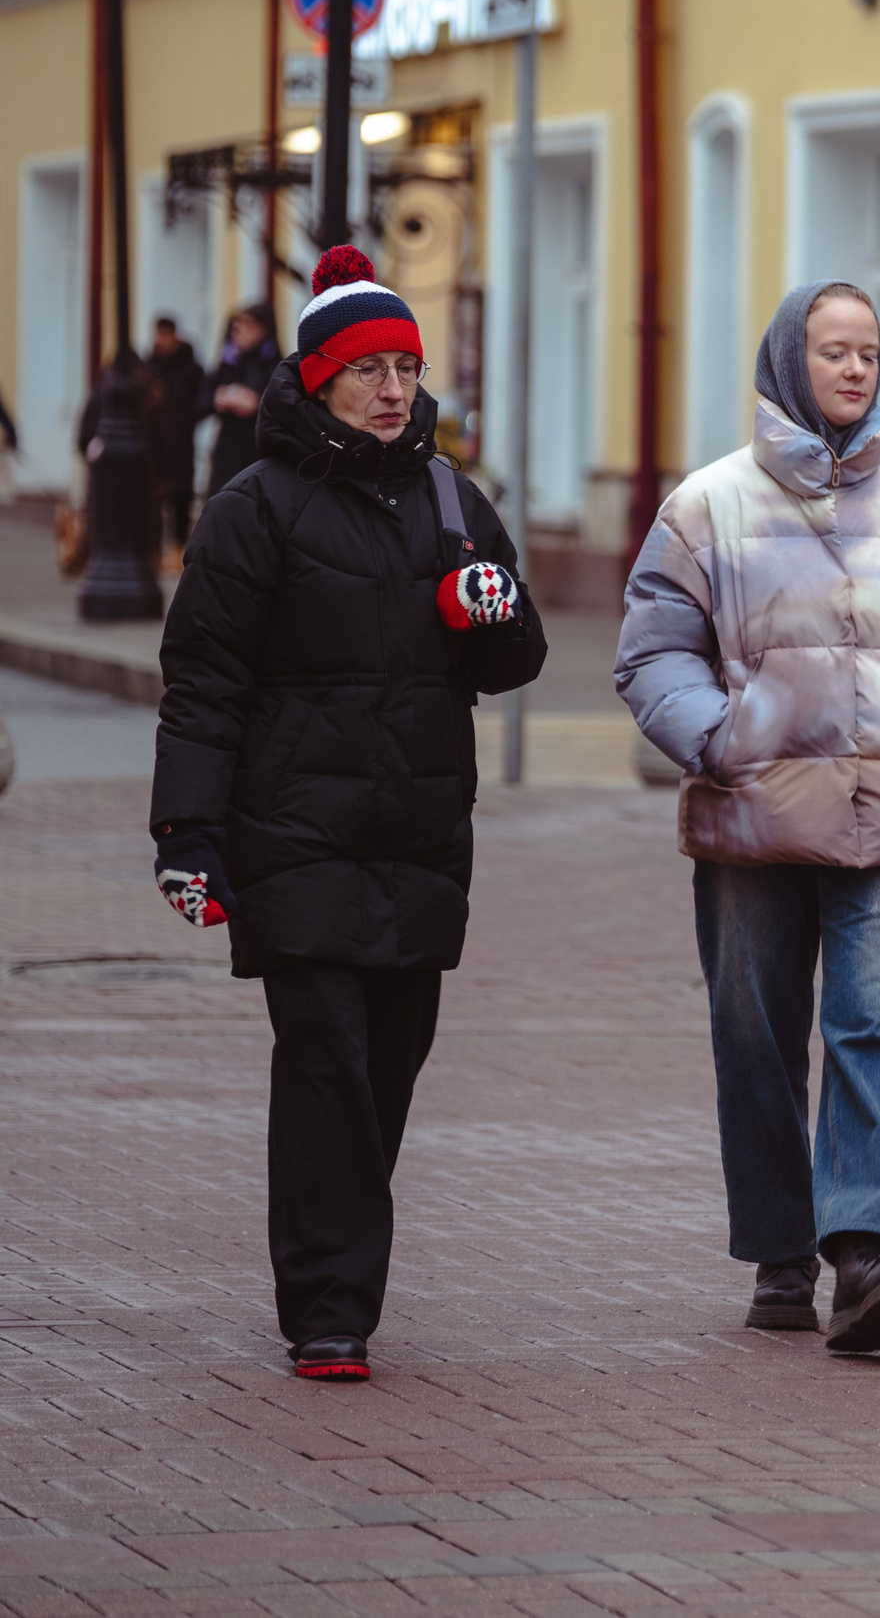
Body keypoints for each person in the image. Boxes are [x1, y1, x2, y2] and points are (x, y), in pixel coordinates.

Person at [148, 246, 545, 1384]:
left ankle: (333, 1276)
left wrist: (494, 611)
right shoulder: (254, 508)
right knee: (323, 1056)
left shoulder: (451, 499)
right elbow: (205, 682)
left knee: (388, 1065)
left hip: (417, 834)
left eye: (405, 368)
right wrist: (188, 834)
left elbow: (515, 659)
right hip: (295, 834)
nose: (392, 389)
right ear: (318, 381)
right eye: (368, 367)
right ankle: (331, 1308)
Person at [616, 281, 880, 1356]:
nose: (854, 369)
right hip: (751, 816)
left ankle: (871, 1252)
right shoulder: (707, 505)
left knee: (876, 1029)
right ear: (790, 360)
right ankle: (782, 1248)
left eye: (870, 352)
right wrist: (723, 739)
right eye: (834, 351)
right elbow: (651, 654)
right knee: (756, 1033)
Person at [200, 303, 280, 501]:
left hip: (258, 452)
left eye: (247, 326)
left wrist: (257, 401)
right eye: (235, 328)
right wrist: (219, 397)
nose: (238, 333)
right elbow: (200, 402)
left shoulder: (274, 364)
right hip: (228, 451)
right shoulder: (228, 364)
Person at [145, 316, 207, 557]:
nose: (162, 340)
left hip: (181, 441)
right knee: (153, 495)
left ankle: (179, 546)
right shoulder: (150, 367)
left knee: (181, 494)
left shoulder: (190, 368)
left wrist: (186, 420)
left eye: (166, 334)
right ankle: (154, 550)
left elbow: (202, 399)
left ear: (174, 334)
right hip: (154, 443)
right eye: (158, 335)